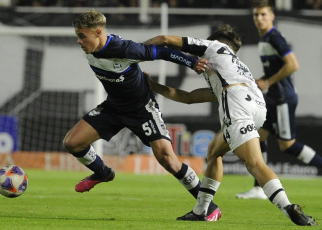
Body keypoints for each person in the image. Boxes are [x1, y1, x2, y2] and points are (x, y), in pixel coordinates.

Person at [143, 24, 316, 225]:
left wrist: (131, 51)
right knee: (214, 151)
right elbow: (189, 97)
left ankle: (288, 207)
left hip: (237, 103)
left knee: (255, 163)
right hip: (258, 105)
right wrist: (155, 86)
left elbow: (164, 39)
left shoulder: (214, 46)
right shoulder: (235, 67)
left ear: (215, 41)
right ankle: (201, 210)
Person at [62, 9, 221, 221]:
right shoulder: (91, 49)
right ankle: (103, 173)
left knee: (169, 161)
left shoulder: (125, 49)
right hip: (113, 108)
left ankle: (209, 207)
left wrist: (191, 62)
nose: (79, 41)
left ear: (98, 32)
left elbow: (162, 51)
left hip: (142, 110)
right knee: (72, 143)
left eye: (82, 36)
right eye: (78, 36)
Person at [235, 0, 322, 200]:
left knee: (288, 145)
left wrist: (268, 81)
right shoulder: (265, 38)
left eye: (263, 14)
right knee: (259, 135)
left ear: (272, 16)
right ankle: (259, 188)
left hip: (283, 98)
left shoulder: (274, 37)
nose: (259, 18)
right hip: (274, 98)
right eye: (256, 15)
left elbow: (293, 65)